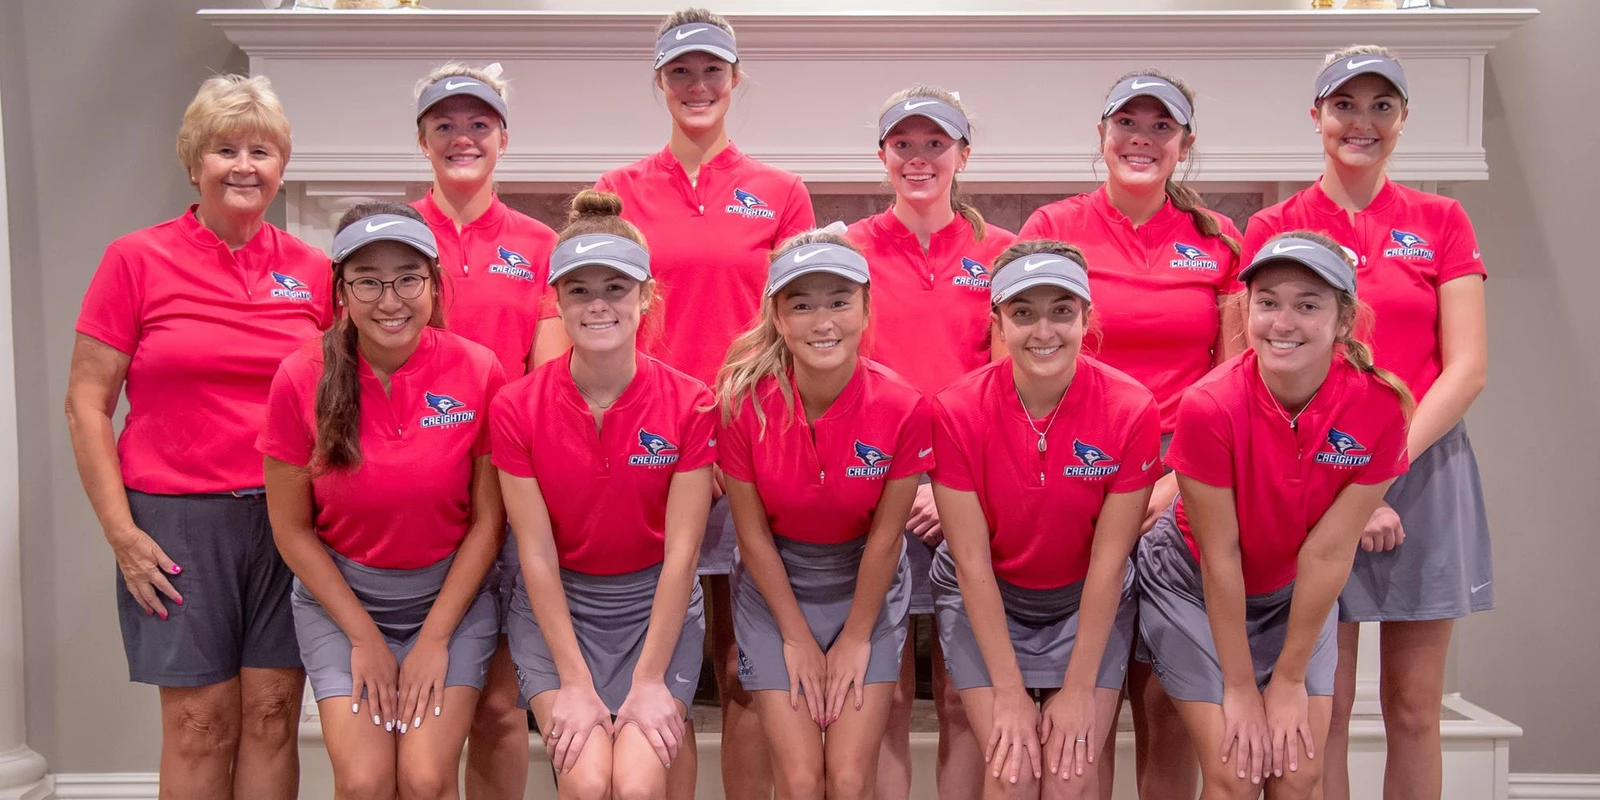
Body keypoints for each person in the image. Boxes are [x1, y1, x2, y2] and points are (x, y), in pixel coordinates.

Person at [65, 74, 324, 800]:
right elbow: (86, 403)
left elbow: (341, 402)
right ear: (193, 162)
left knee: (273, 716)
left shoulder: (314, 272)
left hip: (287, 520)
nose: (244, 165)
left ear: (282, 167)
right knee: (199, 725)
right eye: (225, 149)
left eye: (262, 150)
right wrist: (120, 532)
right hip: (176, 521)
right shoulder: (136, 260)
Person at [1242, 48, 1490, 800]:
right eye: (1344, 105)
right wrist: (1344, 480)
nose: (1363, 122)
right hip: (1308, 478)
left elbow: (1468, 367)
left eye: (1383, 105)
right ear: (1316, 117)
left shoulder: (1441, 219)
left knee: (1414, 707)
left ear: (1404, 120)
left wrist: (1381, 469)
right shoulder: (1273, 224)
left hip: (1425, 471)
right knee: (1328, 704)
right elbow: (1258, 359)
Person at [594, 9, 815, 796]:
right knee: (671, 660)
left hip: (751, 449)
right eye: (681, 72)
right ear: (660, 83)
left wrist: (728, 438)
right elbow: (597, 325)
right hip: (647, 454)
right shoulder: (615, 193)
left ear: (734, 79)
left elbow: (798, 330)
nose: (697, 86)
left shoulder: (780, 193)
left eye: (711, 71)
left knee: (746, 663)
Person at [1019, 69, 1245, 799]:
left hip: (1184, 491)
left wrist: (1177, 477)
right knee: (1088, 700)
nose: (1141, 140)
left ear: (1184, 145)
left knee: (1167, 700)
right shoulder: (1053, 228)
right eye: (1128, 124)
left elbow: (1234, 378)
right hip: (1081, 482)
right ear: (1103, 134)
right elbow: (1018, 366)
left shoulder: (1217, 242)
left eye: (1160, 128)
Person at [1139, 232, 1412, 799]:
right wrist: (1241, 687)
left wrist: (1288, 679)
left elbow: (1329, 550)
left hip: (1294, 592)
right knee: (1235, 770)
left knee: (1298, 771)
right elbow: (1221, 556)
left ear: (1344, 321)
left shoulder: (1381, 406)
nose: (1282, 322)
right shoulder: (1209, 405)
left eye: (1307, 305)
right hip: (1194, 585)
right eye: (1268, 302)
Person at [259, 203, 503, 798]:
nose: (389, 299)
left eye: (407, 278)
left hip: (451, 599)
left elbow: (488, 521)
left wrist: (436, 638)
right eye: (367, 280)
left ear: (434, 284)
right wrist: (364, 639)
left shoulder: (478, 369)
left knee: (423, 777)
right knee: (366, 781)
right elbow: (292, 532)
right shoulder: (299, 376)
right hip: (342, 603)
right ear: (341, 290)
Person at [493, 191, 716, 800]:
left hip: (655, 610)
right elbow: (534, 555)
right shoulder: (515, 407)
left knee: (640, 786)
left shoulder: (691, 403)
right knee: (590, 783)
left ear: (646, 296)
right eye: (579, 290)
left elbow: (682, 554)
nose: (598, 305)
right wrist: (573, 680)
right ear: (556, 301)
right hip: (558, 610)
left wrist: (649, 680)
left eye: (615, 287)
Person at [931, 242, 1162, 800]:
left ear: (1086, 315)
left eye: (1062, 310)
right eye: (1023, 312)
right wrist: (1008, 694)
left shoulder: (1132, 408)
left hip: (1087, 597)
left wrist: (1080, 690)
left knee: (1071, 779)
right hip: (989, 596)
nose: (1044, 331)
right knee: (1013, 777)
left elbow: (1109, 565)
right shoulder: (955, 410)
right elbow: (971, 563)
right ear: (998, 322)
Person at [843, 86, 1016, 800]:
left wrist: (953, 491)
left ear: (963, 156)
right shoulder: (846, 250)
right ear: (882, 157)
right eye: (904, 146)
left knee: (959, 694)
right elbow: (836, 376)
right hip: (873, 492)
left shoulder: (1002, 254)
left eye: (935, 145)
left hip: (964, 498)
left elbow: (1010, 385)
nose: (919, 160)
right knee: (879, 698)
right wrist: (901, 484)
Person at [717, 232, 927, 800]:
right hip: (776, 587)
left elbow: (887, 539)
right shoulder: (742, 404)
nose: (822, 320)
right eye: (801, 304)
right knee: (803, 779)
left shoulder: (904, 407)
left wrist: (857, 637)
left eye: (838, 301)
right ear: (778, 317)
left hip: (866, 585)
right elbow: (752, 534)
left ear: (865, 309)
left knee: (851, 778)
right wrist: (795, 637)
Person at [410, 61, 563, 800]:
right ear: (421, 139)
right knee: (427, 710)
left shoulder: (539, 244)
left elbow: (549, 380)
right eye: (445, 125)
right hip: (416, 501)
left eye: (478, 125)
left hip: (506, 492)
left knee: (501, 710)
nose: (462, 138)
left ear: (503, 138)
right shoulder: (398, 236)